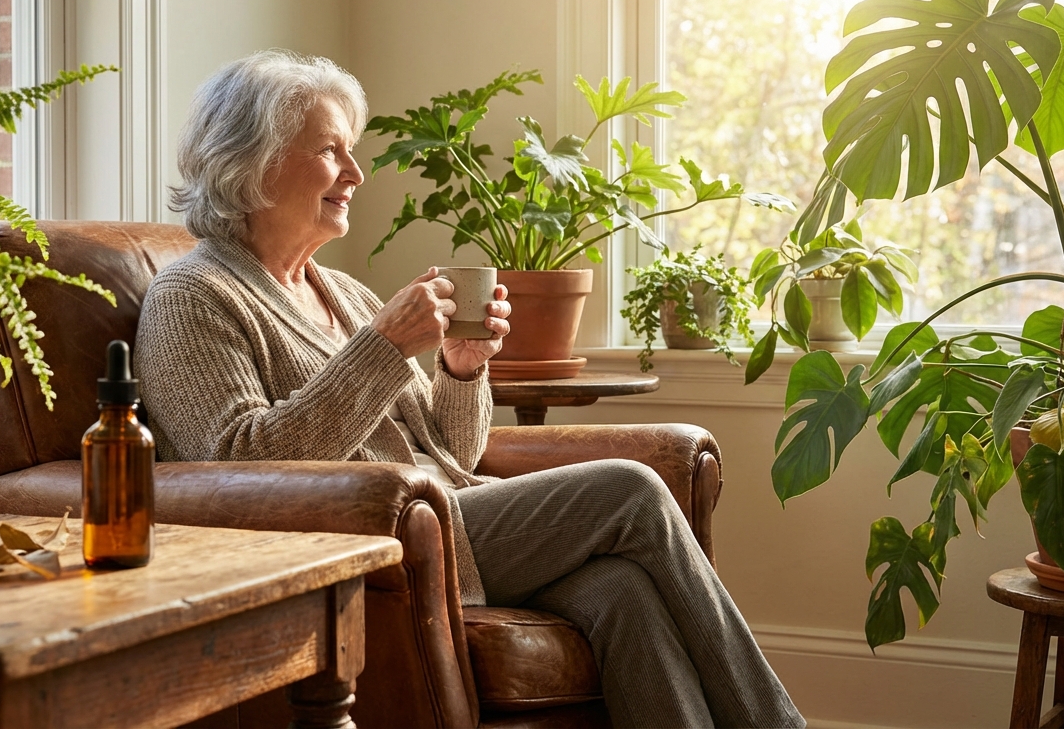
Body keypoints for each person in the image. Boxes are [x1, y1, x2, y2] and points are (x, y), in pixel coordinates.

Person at [135, 49, 803, 729]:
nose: (356, 173)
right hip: (375, 539)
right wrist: (386, 346)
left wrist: (460, 367)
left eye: (352, 151)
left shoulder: (344, 293)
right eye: (331, 151)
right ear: (253, 162)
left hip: (449, 517)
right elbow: (237, 464)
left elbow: (454, 453)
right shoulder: (194, 296)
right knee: (630, 489)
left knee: (621, 591)